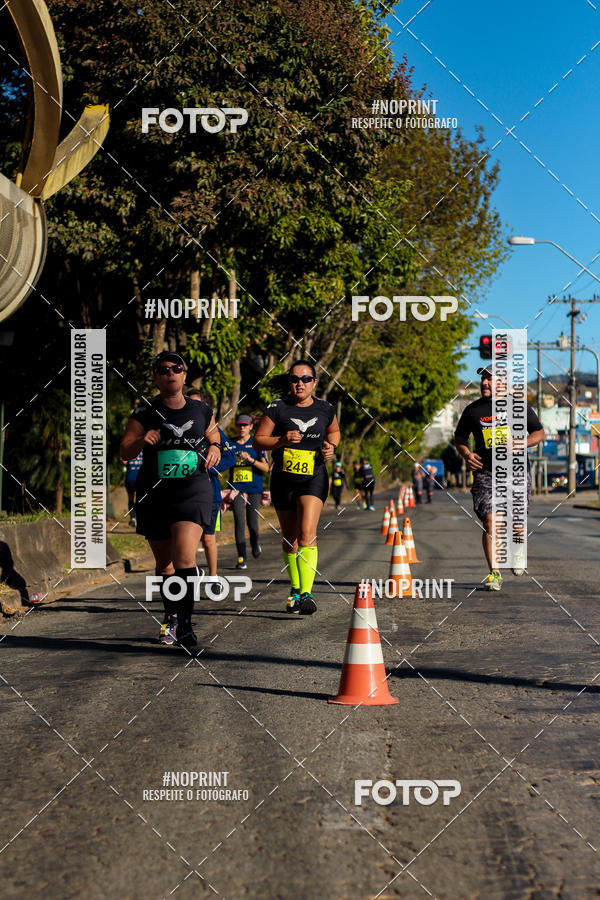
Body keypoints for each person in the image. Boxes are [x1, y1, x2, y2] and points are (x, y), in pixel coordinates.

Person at [120, 352, 221, 647]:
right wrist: (142, 440)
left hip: (192, 490)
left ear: (184, 375)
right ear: (156, 377)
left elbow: (214, 438)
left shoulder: (201, 410)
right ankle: (171, 617)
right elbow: (125, 452)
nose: (170, 374)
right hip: (155, 492)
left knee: (185, 557)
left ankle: (187, 625)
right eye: (163, 370)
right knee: (165, 564)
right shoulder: (144, 412)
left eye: (176, 369)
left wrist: (214, 448)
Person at [253, 360, 340, 614]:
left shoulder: (325, 408)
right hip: (283, 479)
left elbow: (334, 432)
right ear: (289, 382)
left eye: (305, 379)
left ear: (314, 382)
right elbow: (258, 441)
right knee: (289, 538)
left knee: (306, 533)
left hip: (313, 477)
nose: (299, 383)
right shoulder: (277, 408)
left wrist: (331, 447)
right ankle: (295, 587)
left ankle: (306, 593)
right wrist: (281, 440)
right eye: (294, 379)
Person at [454, 362, 545, 591]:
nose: (485, 382)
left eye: (491, 378)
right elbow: (460, 438)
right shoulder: (472, 410)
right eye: (484, 378)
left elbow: (539, 432)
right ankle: (494, 574)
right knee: (490, 522)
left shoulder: (519, 407)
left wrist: (522, 442)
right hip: (486, 474)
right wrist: (466, 453)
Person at [187, 390, 236, 577]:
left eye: (196, 404)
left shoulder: (213, 431)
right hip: (183, 494)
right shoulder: (180, 428)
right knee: (186, 538)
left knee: (208, 539)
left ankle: (213, 577)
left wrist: (208, 468)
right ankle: (189, 574)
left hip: (210, 494)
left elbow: (230, 456)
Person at [228, 414, 269, 569]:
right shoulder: (231, 444)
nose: (242, 428)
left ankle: (255, 542)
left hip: (254, 488)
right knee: (239, 521)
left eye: (245, 425)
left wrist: (250, 460)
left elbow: (267, 468)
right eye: (239, 425)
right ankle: (241, 557)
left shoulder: (257, 443)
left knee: (252, 523)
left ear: (251, 426)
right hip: (236, 488)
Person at [123, 452, 143, 526]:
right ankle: (133, 517)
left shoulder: (145, 451)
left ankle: (136, 517)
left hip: (139, 479)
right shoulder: (129, 450)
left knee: (137, 498)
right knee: (132, 498)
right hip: (131, 479)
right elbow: (124, 461)